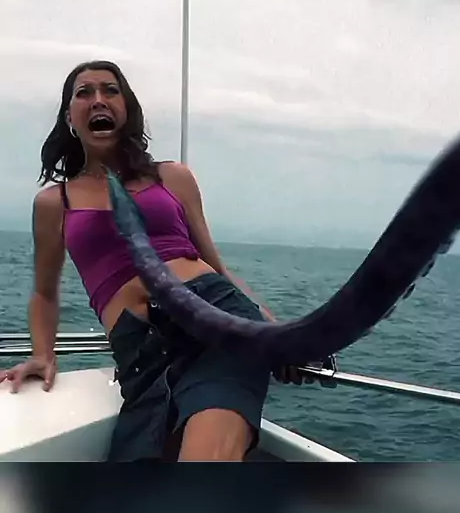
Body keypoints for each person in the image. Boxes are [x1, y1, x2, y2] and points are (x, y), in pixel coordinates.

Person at [0, 60, 308, 462]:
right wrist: (44, 354)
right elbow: (44, 293)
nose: (98, 100)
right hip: (139, 353)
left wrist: (273, 330)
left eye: (111, 90)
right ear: (70, 118)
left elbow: (215, 265)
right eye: (84, 93)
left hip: (215, 320)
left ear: (126, 109)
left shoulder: (173, 177)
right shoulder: (53, 203)